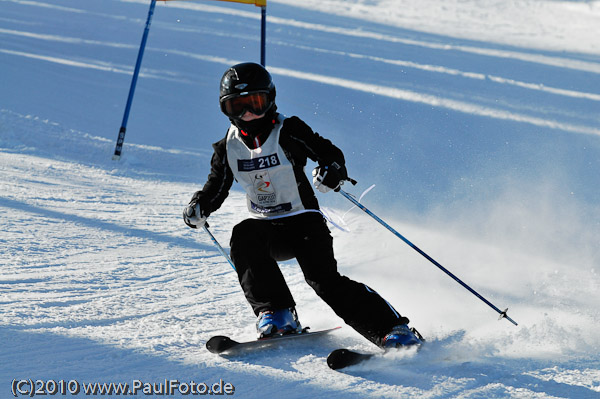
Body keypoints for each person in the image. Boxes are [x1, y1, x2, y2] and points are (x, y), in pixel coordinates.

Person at [183, 62, 422, 349]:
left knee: (323, 281)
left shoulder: (289, 130)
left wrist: (331, 170)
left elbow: (329, 153)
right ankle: (277, 313)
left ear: (270, 100)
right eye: (238, 107)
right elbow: (216, 186)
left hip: (305, 223)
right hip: (268, 229)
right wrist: (200, 205)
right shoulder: (227, 147)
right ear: (226, 110)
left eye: (255, 104)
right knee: (244, 234)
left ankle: (393, 329)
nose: (247, 114)